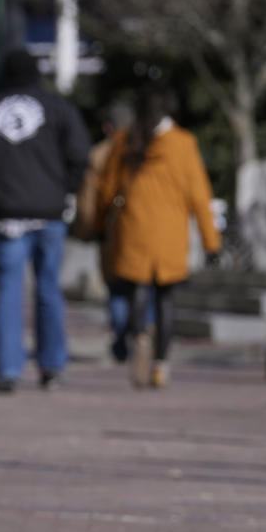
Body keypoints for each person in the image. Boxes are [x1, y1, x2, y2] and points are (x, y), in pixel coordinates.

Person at [0, 51, 91, 392]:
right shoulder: (59, 108)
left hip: (6, 214)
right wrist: (63, 189)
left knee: (10, 292)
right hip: (50, 211)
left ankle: (8, 369)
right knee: (48, 291)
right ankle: (53, 366)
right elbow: (79, 155)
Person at [95, 85, 220, 389]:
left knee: (136, 291)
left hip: (133, 228)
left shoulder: (126, 140)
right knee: (165, 299)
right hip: (170, 233)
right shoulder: (183, 143)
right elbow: (199, 196)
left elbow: (107, 189)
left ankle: (139, 335)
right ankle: (160, 365)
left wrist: (99, 224)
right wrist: (211, 241)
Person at [72, 100, 149, 363]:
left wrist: (87, 229)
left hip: (112, 230)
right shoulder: (147, 149)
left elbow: (88, 199)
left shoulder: (100, 154)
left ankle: (121, 343)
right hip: (146, 231)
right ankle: (143, 335)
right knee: (142, 286)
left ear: (108, 127)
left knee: (116, 289)